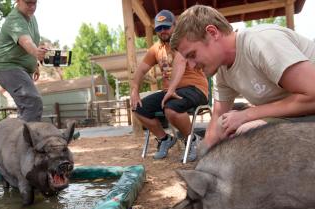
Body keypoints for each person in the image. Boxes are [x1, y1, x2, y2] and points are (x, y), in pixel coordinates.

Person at [169, 5, 315, 152]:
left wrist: (247, 114)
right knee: (223, 124)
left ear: (212, 33)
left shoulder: (261, 42)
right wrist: (203, 159)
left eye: (192, 55)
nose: (192, 66)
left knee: (249, 131)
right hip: (299, 116)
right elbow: (217, 119)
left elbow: (313, 95)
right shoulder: (221, 70)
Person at [130, 10, 209, 161]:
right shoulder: (155, 49)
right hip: (170, 92)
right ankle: (165, 139)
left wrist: (171, 89)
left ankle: (192, 141)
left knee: (171, 108)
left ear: (175, 25)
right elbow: (140, 71)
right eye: (159, 28)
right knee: (138, 107)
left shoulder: (184, 41)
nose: (163, 31)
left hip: (195, 88)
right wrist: (135, 90)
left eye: (166, 27)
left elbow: (180, 63)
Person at [0, 0, 47, 122]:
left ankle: (17, 139)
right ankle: (26, 140)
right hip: (7, 67)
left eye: (35, 3)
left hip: (21, 68)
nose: (32, 7)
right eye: (28, 3)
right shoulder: (15, 19)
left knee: (26, 108)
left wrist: (35, 64)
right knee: (32, 102)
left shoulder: (32, 18)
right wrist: (36, 52)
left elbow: (33, 41)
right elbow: (26, 41)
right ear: (18, 1)